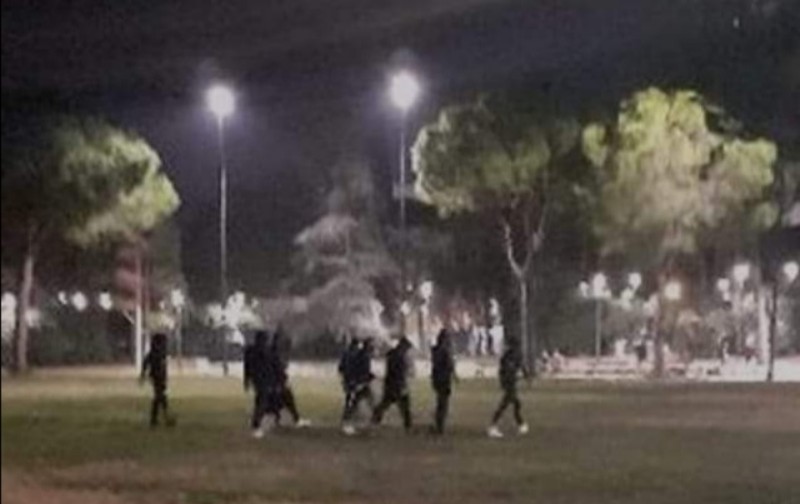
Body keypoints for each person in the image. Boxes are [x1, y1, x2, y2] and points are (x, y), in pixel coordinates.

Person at [372, 335, 414, 432]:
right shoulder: (400, 356)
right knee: (404, 405)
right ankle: (408, 425)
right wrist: (402, 384)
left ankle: (375, 419)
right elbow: (400, 372)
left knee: (385, 403)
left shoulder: (392, 353)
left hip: (390, 383)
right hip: (397, 384)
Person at [244, 330, 282, 438]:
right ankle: (256, 426)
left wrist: (247, 380)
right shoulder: (264, 351)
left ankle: (273, 419)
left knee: (263, 401)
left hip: (258, 380)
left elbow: (247, 367)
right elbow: (273, 365)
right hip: (264, 380)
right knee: (262, 402)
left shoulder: (250, 351)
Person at [270, 327, 311, 428]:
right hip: (277, 383)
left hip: (277, 382)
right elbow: (276, 369)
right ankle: (295, 419)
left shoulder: (273, 353)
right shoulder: (273, 355)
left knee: (282, 401)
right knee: (287, 399)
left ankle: (280, 419)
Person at [487, 343, 529, 438]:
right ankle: (493, 426)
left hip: (510, 382)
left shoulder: (510, 356)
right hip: (509, 383)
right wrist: (521, 376)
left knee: (516, 403)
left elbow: (518, 366)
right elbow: (507, 370)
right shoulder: (509, 357)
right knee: (505, 404)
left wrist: (524, 375)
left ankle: (521, 424)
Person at [341, 338, 377, 435]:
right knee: (355, 403)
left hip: (359, 384)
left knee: (363, 403)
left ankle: (369, 423)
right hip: (359, 384)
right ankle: (349, 424)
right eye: (372, 345)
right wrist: (360, 381)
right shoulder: (363, 356)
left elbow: (344, 369)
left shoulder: (360, 355)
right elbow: (360, 370)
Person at [140, 333, 175, 428]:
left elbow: (161, 367)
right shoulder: (155, 354)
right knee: (159, 397)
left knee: (160, 397)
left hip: (161, 378)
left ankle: (159, 418)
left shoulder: (161, 353)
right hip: (156, 377)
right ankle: (160, 418)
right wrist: (143, 375)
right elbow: (146, 363)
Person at [430, 329, 457, 435]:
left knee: (440, 402)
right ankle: (440, 426)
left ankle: (439, 424)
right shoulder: (445, 350)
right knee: (443, 403)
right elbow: (450, 364)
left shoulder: (435, 350)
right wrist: (454, 375)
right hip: (444, 379)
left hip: (436, 378)